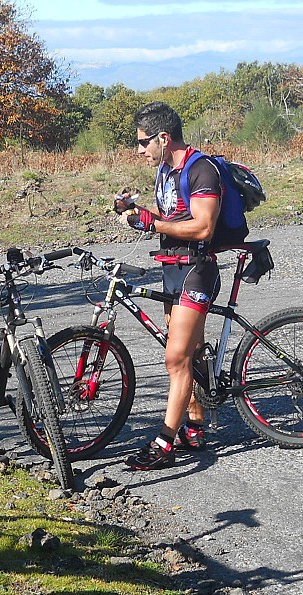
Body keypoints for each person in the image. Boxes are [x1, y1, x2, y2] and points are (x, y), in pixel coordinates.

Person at [115, 101, 248, 470]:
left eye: (143, 142)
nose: (139, 150)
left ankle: (164, 442)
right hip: (172, 269)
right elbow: (172, 214)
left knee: (175, 357)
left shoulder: (200, 169)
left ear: (164, 137)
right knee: (191, 351)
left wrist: (152, 226)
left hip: (198, 269)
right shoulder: (165, 171)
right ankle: (195, 425)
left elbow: (203, 227)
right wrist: (136, 212)